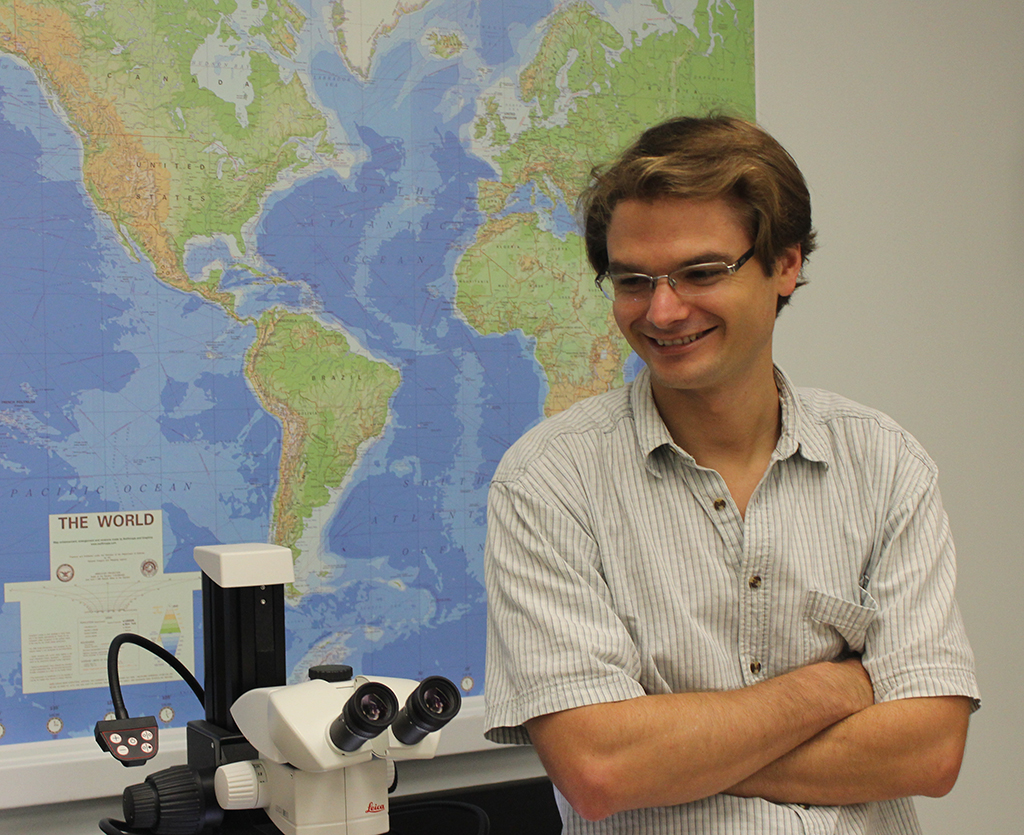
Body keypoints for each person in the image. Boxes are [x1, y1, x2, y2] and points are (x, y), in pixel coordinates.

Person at [482, 115, 980, 834]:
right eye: (633, 281)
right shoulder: (548, 483)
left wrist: (674, 756)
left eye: (701, 272)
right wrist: (833, 687)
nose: (662, 311)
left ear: (785, 264)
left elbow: (929, 752)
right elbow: (599, 771)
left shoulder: (886, 463)